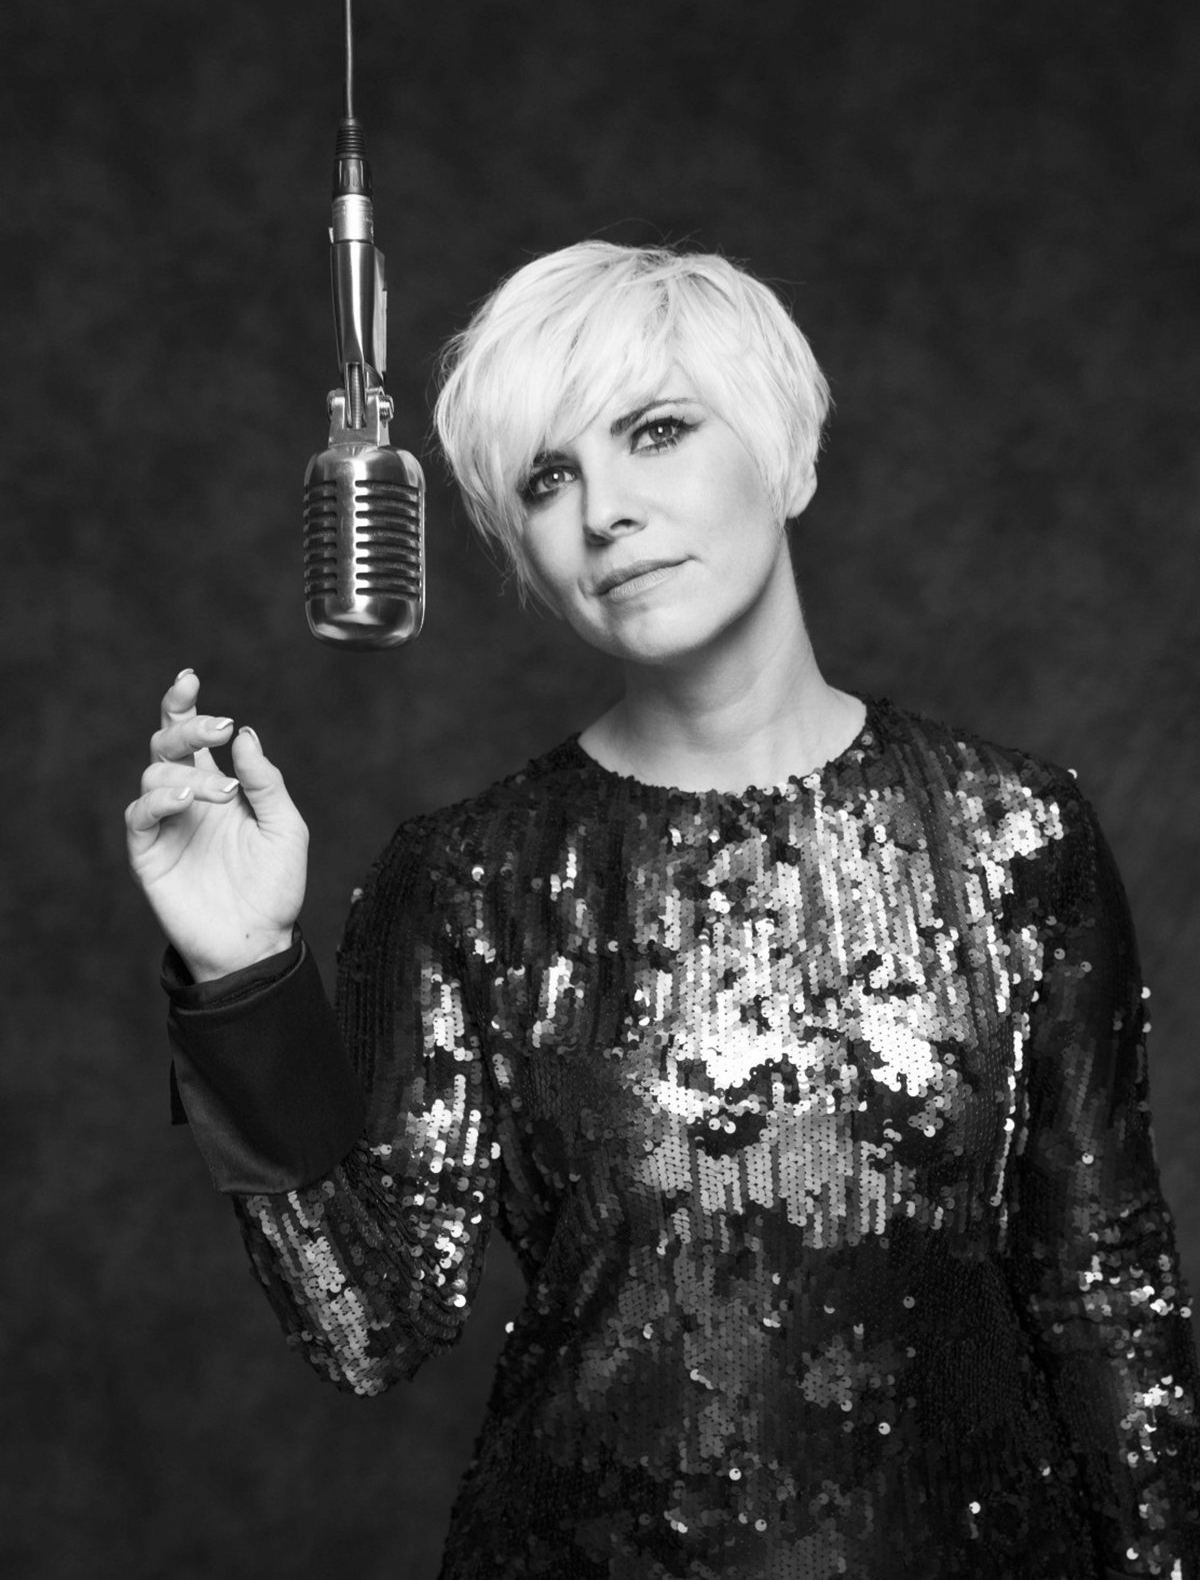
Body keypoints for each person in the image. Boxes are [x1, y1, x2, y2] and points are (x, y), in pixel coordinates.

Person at [126, 242, 1200, 1579]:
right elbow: (369, 1327)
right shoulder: (463, 879)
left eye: (657, 432)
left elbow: (1106, 1292)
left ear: (787, 458)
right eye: (549, 478)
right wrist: (240, 976)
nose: (606, 512)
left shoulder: (1016, 832)